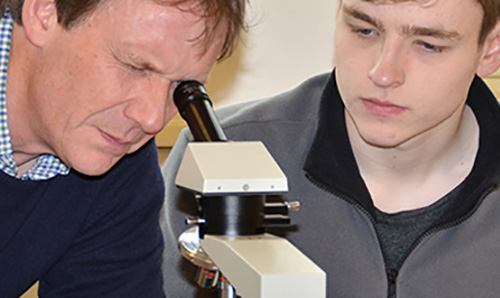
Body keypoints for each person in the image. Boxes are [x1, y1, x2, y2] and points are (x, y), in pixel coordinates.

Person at [161, 0, 500, 297]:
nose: (382, 73)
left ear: (491, 48)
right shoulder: (213, 156)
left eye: (428, 44)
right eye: (364, 29)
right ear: (339, 13)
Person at [0, 0, 246, 296]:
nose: (152, 119)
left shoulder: (118, 165)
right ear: (44, 12)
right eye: (135, 66)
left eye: (180, 87)